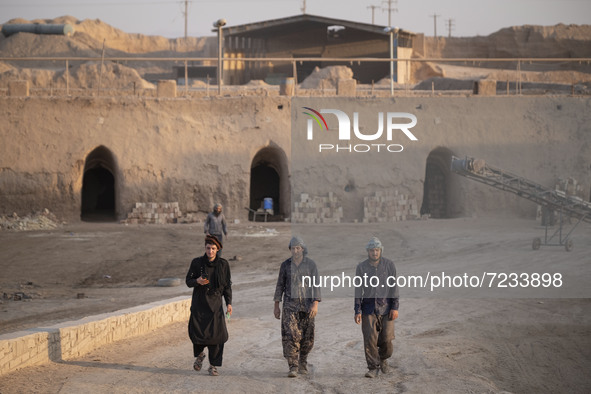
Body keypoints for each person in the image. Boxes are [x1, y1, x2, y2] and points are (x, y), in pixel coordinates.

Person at [273, 236, 321, 378]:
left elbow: (316, 285)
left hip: (307, 307)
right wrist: (277, 305)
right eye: (293, 248)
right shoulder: (285, 265)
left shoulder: (311, 265)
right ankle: (293, 366)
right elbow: (279, 285)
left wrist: (315, 303)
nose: (295, 251)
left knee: (308, 337)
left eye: (298, 248)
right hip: (290, 307)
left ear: (303, 249)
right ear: (290, 249)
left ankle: (303, 362)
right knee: (290, 336)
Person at [186, 234, 232, 376]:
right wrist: (197, 281)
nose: (210, 251)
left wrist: (229, 303)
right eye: (208, 248)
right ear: (204, 248)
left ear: (217, 249)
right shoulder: (197, 263)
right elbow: (188, 281)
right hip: (199, 303)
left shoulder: (223, 264)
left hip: (216, 304)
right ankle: (200, 355)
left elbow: (227, 286)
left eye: (213, 248)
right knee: (196, 332)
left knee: (217, 336)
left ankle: (213, 365)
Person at [354, 237, 399, 378]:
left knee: (387, 339)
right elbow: (357, 290)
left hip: (386, 308)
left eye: (377, 250)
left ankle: (383, 358)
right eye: (372, 250)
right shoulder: (361, 267)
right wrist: (357, 310)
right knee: (369, 339)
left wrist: (395, 307)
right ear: (368, 251)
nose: (375, 253)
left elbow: (394, 287)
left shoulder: (389, 265)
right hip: (368, 309)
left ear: (381, 251)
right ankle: (373, 368)